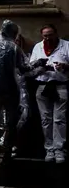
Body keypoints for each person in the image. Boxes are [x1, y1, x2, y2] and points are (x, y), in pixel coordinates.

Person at [0, 20, 31, 163]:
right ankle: (7, 153)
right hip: (11, 89)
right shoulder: (14, 48)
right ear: (13, 33)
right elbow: (23, 69)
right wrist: (37, 65)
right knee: (11, 122)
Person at [30, 24, 69, 163]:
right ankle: (49, 149)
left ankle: (60, 150)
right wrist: (40, 66)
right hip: (43, 86)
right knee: (46, 119)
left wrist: (64, 66)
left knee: (60, 119)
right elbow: (31, 68)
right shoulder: (37, 47)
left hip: (60, 86)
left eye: (50, 35)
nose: (48, 38)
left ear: (56, 33)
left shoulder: (66, 46)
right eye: (45, 36)